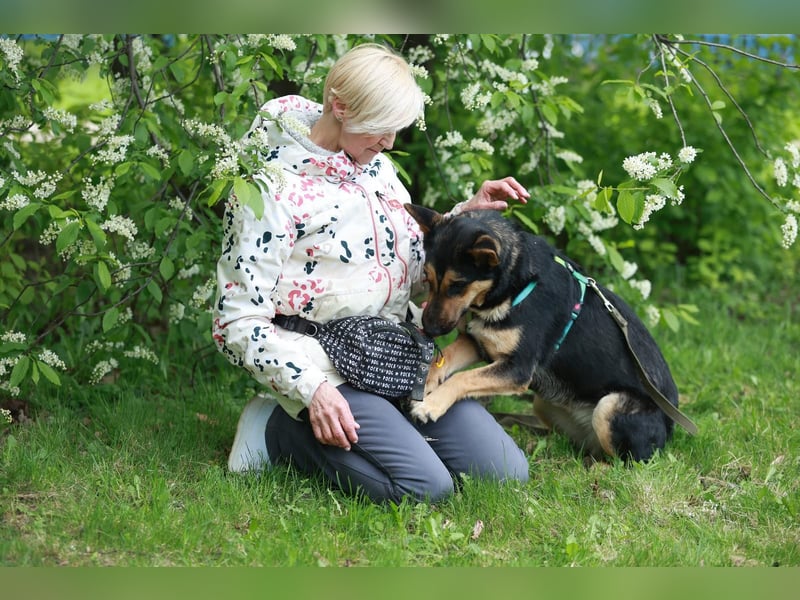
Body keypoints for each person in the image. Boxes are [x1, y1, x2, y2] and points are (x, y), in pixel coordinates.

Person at [213, 43, 531, 504]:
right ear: (339, 106)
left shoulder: (374, 167)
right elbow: (234, 321)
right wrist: (311, 389)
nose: (390, 144)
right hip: (322, 364)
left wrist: (464, 221)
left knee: (502, 472)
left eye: (395, 131)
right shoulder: (268, 190)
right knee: (425, 488)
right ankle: (274, 430)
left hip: (389, 352)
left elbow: (402, 265)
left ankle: (385, 422)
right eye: (382, 129)